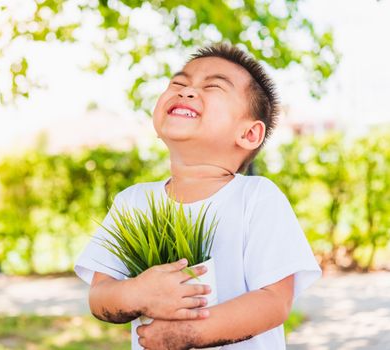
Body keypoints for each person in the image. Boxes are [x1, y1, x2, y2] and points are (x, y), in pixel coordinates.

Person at [74, 43, 321, 350]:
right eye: (178, 83)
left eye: (213, 86)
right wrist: (138, 293)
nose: (186, 91)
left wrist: (190, 334)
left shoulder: (256, 198)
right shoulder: (132, 203)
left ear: (248, 134)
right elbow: (100, 296)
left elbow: (274, 301)